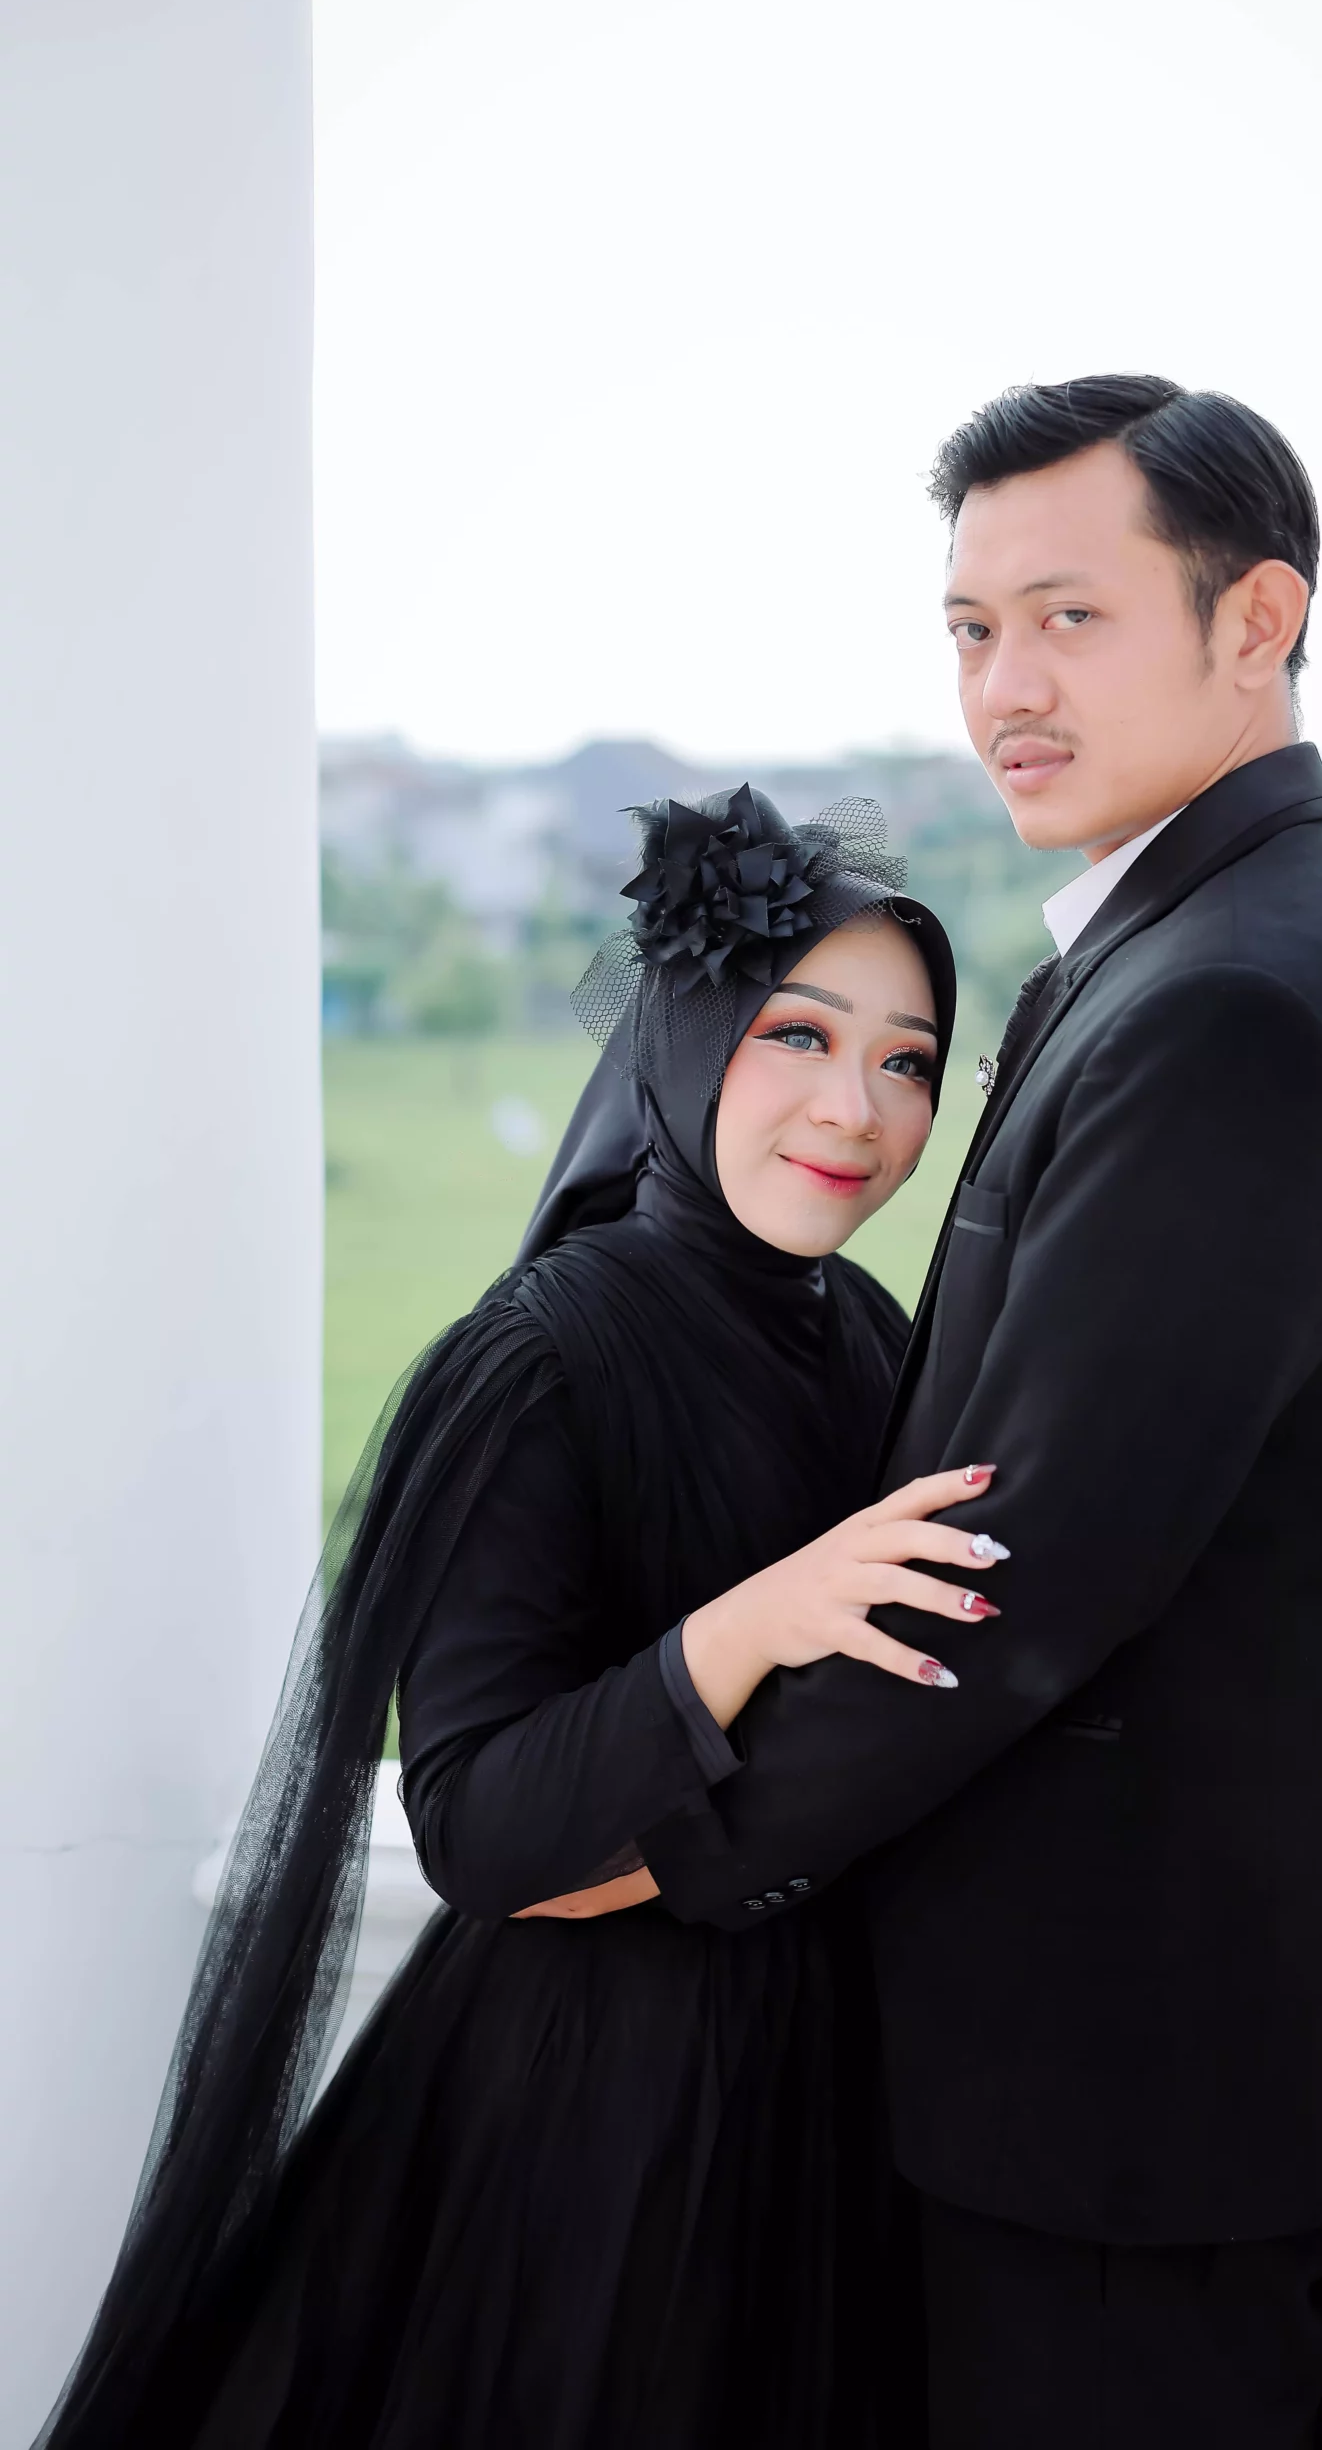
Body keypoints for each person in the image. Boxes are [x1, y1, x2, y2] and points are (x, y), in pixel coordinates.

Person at [637, 380, 1322, 2447]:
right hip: (1091, 2055)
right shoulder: (1173, 940)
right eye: (971, 628)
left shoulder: (1233, 997)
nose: (1004, 687)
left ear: (1255, 619)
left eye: (1069, 618)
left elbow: (1022, 1571)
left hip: (1128, 2087)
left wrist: (653, 1834)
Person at [37, 786, 977, 2450]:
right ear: (685, 1041)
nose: (856, 1109)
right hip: (597, 2133)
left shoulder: (869, 1336)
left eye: (906, 1063)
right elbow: (476, 1827)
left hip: (841, 2102)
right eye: (798, 1036)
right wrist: (755, 1619)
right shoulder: (539, 1358)